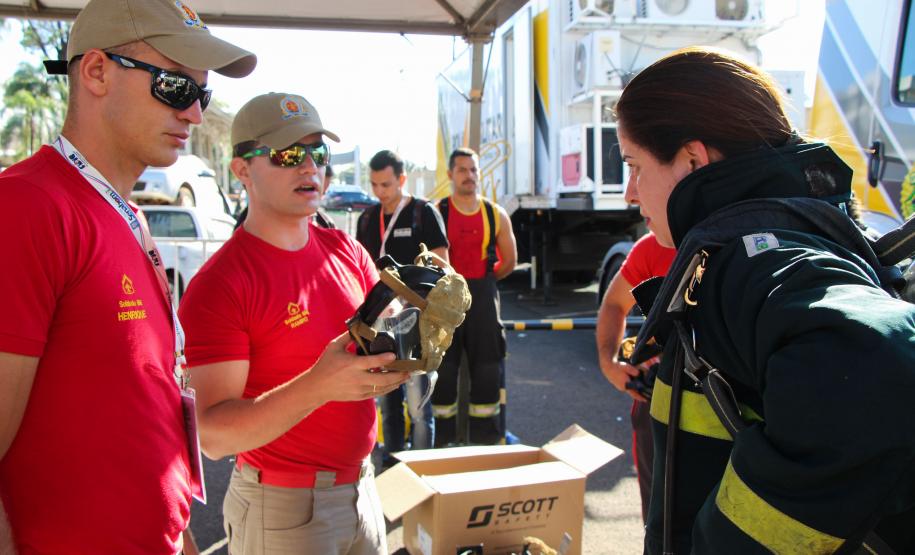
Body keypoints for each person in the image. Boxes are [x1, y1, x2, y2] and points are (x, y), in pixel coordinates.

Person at [615, 47, 915, 554]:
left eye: (634, 166)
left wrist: (724, 541)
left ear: (691, 160)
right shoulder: (764, 243)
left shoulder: (749, 258)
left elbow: (878, 358)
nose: (629, 192)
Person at [0, 0, 255, 552]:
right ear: (95, 71)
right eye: (175, 87)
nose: (193, 113)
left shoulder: (125, 212)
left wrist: (178, 532)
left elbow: (138, 404)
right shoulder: (27, 206)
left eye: (201, 94)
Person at [178, 92, 407, 555]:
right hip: (283, 508)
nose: (309, 167)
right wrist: (320, 385)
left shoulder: (346, 251)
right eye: (287, 154)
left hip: (363, 489)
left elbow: (382, 341)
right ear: (241, 169)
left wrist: (406, 341)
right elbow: (214, 435)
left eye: (317, 153)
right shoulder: (220, 284)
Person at [356, 149, 449, 466]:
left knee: (419, 407)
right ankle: (393, 466)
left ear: (402, 179)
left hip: (418, 324)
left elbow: (442, 266)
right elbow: (361, 268)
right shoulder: (368, 218)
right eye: (375, 185)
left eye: (386, 184)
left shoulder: (423, 212)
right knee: (388, 402)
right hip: (381, 325)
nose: (380, 192)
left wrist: (408, 296)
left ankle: (421, 469)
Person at [431, 147, 517, 446]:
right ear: (451, 174)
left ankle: (486, 443)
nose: (470, 176)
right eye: (463, 170)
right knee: (444, 371)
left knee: (487, 373)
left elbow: (508, 262)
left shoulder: (496, 215)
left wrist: (483, 283)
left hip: (483, 299)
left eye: (473, 170)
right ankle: (441, 442)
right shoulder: (437, 212)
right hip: (446, 303)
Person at [595, 232, 675, 523]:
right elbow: (615, 304)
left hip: (729, 417)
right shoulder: (651, 247)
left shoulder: (737, 238)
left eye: (639, 183)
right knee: (658, 520)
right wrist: (610, 363)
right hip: (655, 403)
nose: (630, 196)